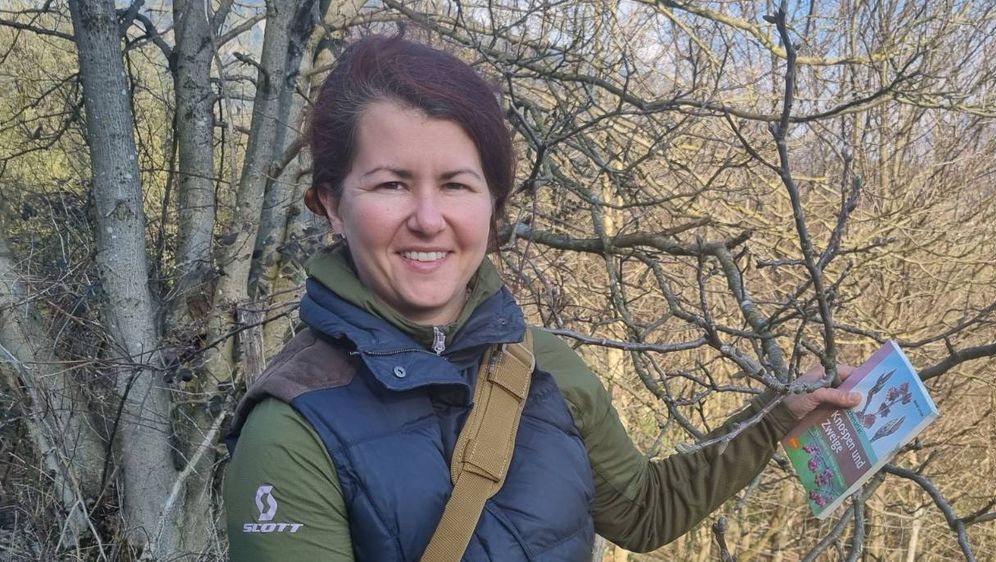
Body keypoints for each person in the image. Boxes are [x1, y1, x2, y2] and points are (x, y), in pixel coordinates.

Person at [222, 34, 859, 562]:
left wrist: (775, 420)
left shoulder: (541, 363)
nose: (428, 219)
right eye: (392, 184)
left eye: (457, 185)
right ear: (332, 204)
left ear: (493, 205)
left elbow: (644, 511)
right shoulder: (293, 428)